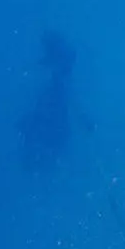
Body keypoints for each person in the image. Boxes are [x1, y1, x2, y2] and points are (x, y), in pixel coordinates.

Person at [19, 30, 84, 173]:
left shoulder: (54, 70)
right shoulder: (54, 71)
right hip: (50, 120)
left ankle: (40, 175)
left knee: (47, 155)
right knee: (48, 155)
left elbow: (68, 95)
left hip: (51, 120)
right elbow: (68, 95)